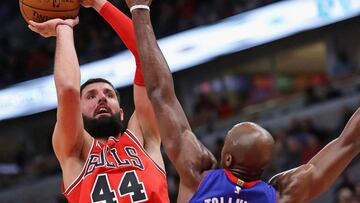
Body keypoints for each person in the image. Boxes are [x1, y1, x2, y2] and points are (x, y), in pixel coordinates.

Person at [125, 0, 360, 202]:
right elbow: (349, 141)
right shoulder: (281, 194)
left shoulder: (199, 174)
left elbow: (160, 93)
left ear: (227, 158)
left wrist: (139, 9)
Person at [27, 0, 170, 201]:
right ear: (78, 115)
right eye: (91, 96)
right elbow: (68, 90)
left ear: (121, 112)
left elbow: (146, 56)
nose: (102, 97)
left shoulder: (144, 139)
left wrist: (99, 3)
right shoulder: (75, 153)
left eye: (109, 95)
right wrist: (64, 27)